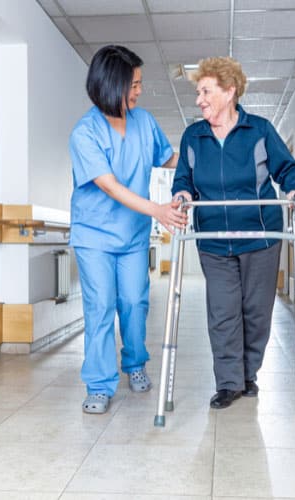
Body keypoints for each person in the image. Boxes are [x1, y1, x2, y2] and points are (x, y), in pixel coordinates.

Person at [172, 57, 295, 410]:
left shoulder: (259, 131)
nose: (199, 100)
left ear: (229, 91)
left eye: (206, 91)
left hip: (260, 236)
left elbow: (288, 168)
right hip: (214, 239)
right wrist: (183, 195)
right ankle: (229, 383)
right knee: (222, 311)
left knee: (256, 311)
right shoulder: (193, 136)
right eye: (198, 92)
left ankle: (249, 373)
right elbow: (183, 179)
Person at [69, 45, 187, 414]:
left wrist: (207, 155)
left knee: (135, 302)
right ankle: (100, 384)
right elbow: (109, 185)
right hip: (94, 235)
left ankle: (134, 364)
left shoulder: (145, 122)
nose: (138, 91)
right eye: (133, 85)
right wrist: (158, 209)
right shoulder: (85, 133)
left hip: (133, 235)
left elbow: (169, 158)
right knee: (101, 304)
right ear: (111, 84)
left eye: (139, 84)